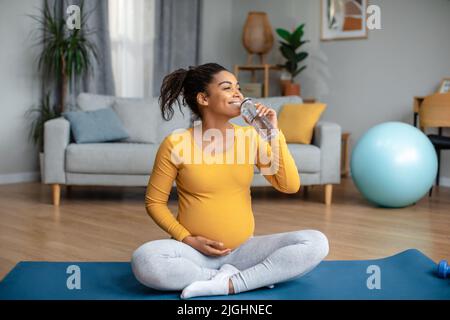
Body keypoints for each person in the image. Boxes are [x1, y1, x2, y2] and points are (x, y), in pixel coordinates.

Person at [131, 63, 329, 299]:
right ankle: (234, 278)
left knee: (316, 242)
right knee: (144, 260)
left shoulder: (249, 137)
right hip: (192, 252)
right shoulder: (176, 143)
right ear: (204, 98)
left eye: (238, 87)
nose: (238, 93)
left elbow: (289, 185)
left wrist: (273, 135)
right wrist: (188, 239)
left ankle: (229, 284)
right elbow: (154, 203)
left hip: (244, 250)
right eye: (227, 88)